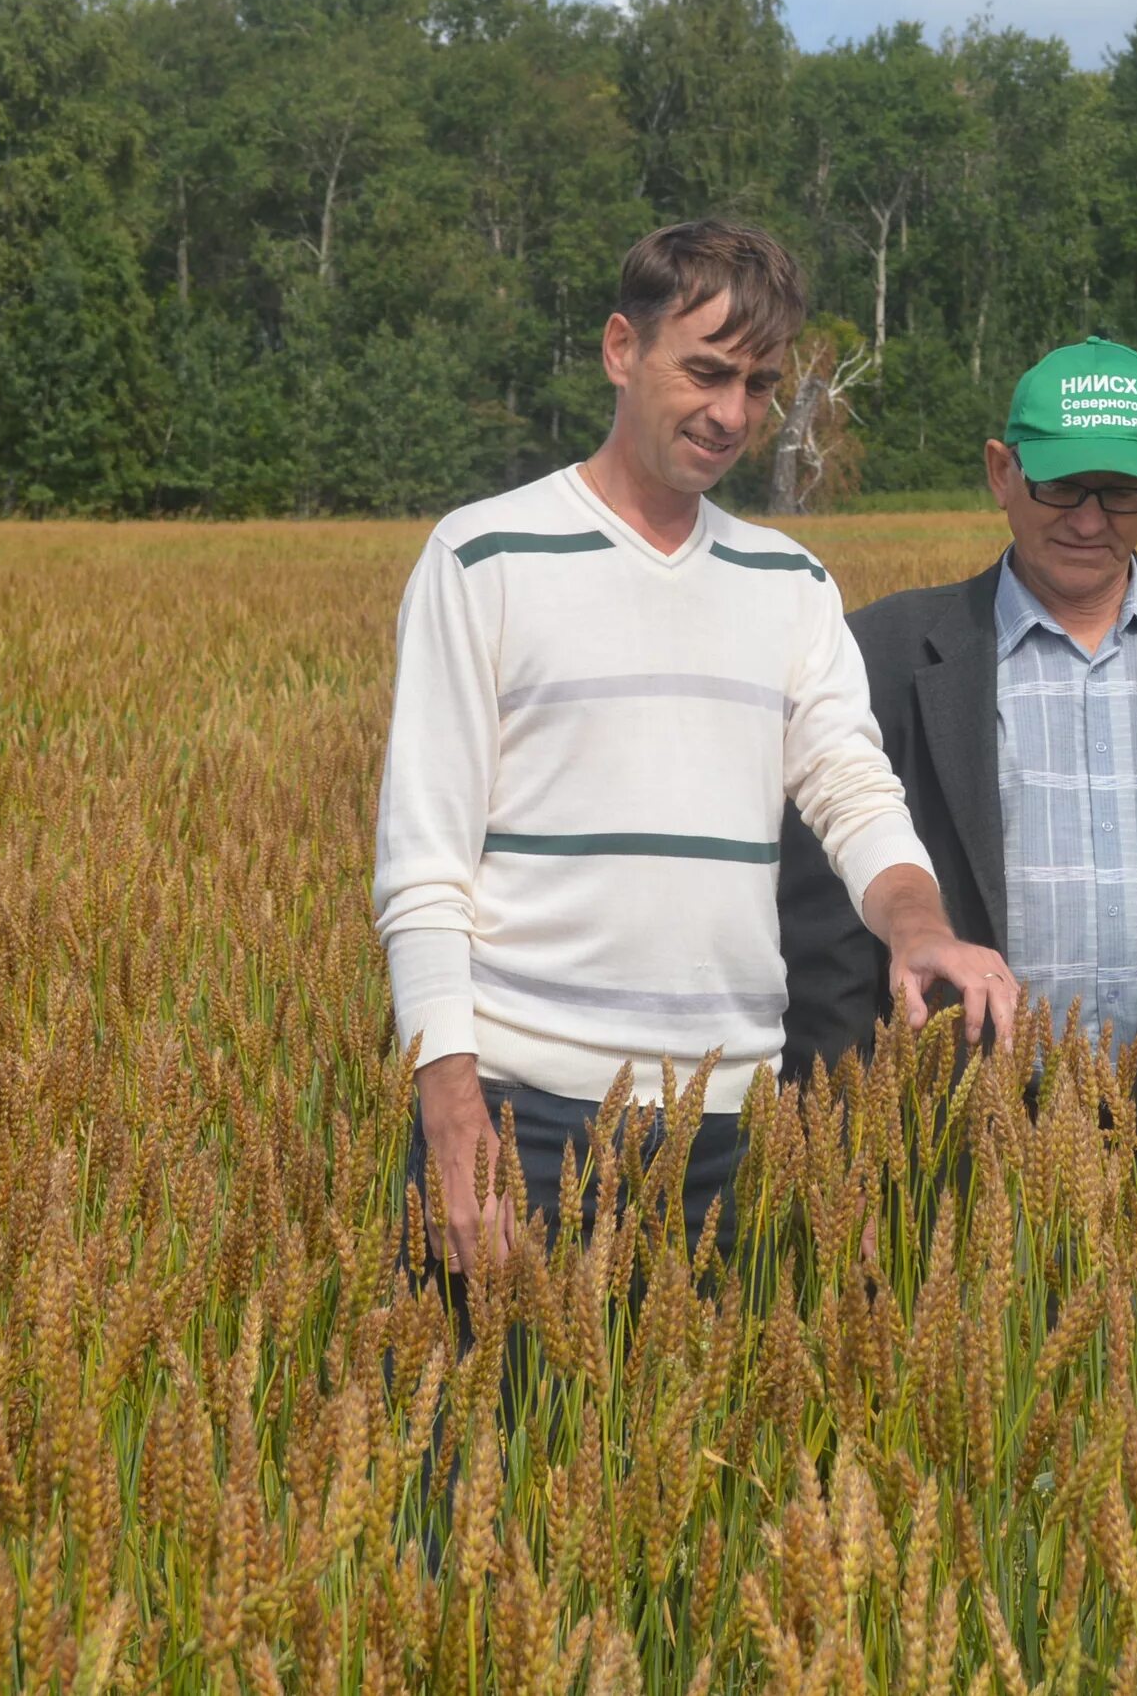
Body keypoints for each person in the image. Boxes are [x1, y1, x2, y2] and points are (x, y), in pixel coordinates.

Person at [373, 220, 1018, 1280]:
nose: (731, 415)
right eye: (707, 372)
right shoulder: (482, 557)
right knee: (489, 1447)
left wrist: (917, 927)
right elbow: (424, 869)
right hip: (522, 1124)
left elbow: (854, 790)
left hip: (733, 1134)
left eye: (759, 386)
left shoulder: (792, 585)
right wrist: (450, 1108)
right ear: (622, 350)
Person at [778, 337, 1137, 1115]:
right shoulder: (887, 651)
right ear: (1002, 472)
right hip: (964, 1138)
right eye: (1061, 486)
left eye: (1121, 492)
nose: (1087, 519)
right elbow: (831, 941)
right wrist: (849, 1151)